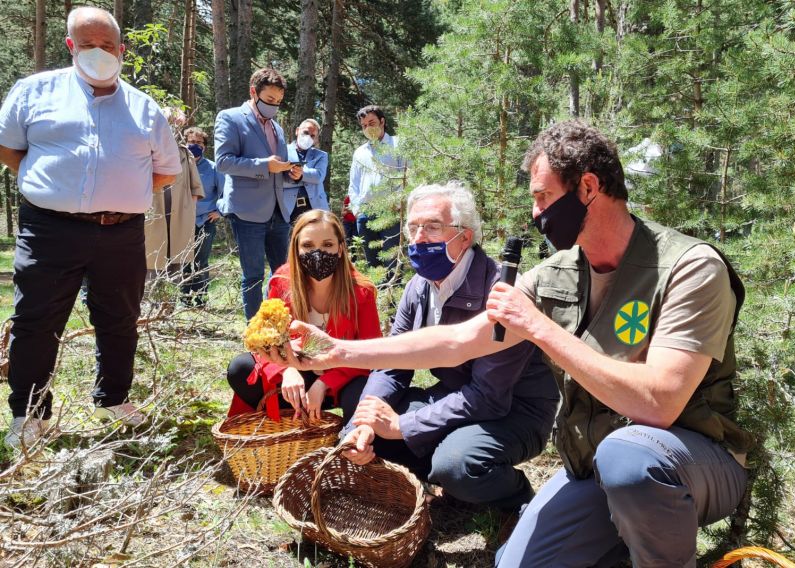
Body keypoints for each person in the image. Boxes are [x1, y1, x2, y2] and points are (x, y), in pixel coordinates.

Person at [282, 120, 756, 567]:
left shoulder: (689, 268)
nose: (535, 214)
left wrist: (539, 328)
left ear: (589, 188)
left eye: (543, 197)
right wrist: (340, 352)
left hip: (693, 459)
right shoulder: (555, 274)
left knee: (629, 456)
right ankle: (618, 532)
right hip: (595, 462)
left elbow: (660, 402)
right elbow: (458, 342)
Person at [0, 6, 181, 449]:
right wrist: (60, 191)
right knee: (36, 320)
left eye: (106, 45)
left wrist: (114, 195)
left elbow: (165, 171)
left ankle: (113, 400)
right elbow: (9, 151)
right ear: (69, 46)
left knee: (120, 318)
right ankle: (29, 413)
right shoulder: (33, 92)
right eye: (87, 45)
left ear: (121, 49)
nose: (98, 53)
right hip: (50, 230)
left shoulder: (144, 107)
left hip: (121, 233)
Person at [340, 182, 558, 510]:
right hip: (458, 395)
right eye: (412, 228)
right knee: (363, 417)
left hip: (517, 409)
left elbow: (489, 397)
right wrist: (363, 424)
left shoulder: (501, 291)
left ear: (465, 236)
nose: (418, 238)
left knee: (457, 465)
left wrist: (403, 426)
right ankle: (444, 475)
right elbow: (392, 362)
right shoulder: (418, 288)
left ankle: (517, 498)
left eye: (432, 227)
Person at [229, 210, 382, 424]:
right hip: (299, 370)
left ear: (340, 248)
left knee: (362, 393)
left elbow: (370, 353)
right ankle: (292, 427)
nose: (318, 253)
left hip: (343, 375)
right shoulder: (281, 282)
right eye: (308, 246)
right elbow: (268, 342)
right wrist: (288, 369)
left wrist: (325, 383)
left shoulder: (361, 291)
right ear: (296, 249)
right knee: (241, 368)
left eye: (327, 245)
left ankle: (350, 441)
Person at [215, 67, 297, 320]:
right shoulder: (230, 118)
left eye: (279, 102)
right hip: (247, 210)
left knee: (284, 273)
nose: (274, 106)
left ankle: (281, 324)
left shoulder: (277, 127)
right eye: (270, 100)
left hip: (279, 210)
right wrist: (264, 165)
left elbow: (277, 162)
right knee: (252, 275)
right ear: (254, 92)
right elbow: (223, 161)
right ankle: (255, 332)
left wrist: (288, 171)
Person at [144, 107, 204, 276]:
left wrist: (189, 212)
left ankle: (169, 303)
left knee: (176, 267)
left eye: (178, 124)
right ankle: (149, 302)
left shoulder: (186, 153)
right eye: (171, 123)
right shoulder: (145, 149)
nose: (174, 128)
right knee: (152, 264)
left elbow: (196, 188)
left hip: (179, 220)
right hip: (153, 217)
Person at [347, 105, 406, 272]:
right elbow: (353, 184)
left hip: (391, 213)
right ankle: (377, 297)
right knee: (374, 265)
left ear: (382, 121)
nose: (368, 128)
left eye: (371, 122)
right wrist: (357, 210)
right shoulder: (360, 152)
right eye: (364, 125)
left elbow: (406, 176)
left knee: (392, 263)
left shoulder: (398, 144)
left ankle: (393, 298)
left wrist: (398, 204)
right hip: (365, 215)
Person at [181, 126, 225, 306]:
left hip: (205, 221)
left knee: (201, 261)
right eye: (191, 142)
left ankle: (200, 299)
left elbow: (225, 193)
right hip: (182, 222)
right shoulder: (178, 166)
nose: (195, 145)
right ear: (185, 143)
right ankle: (184, 299)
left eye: (199, 142)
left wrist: (219, 211)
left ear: (204, 146)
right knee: (183, 261)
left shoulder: (214, 168)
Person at [280, 118, 329, 225]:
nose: (308, 137)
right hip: (288, 208)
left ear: (316, 139)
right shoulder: (282, 151)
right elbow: (278, 180)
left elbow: (319, 177)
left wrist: (300, 174)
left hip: (315, 207)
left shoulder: (321, 155)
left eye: (312, 136)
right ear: (297, 131)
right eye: (306, 132)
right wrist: (308, 178)